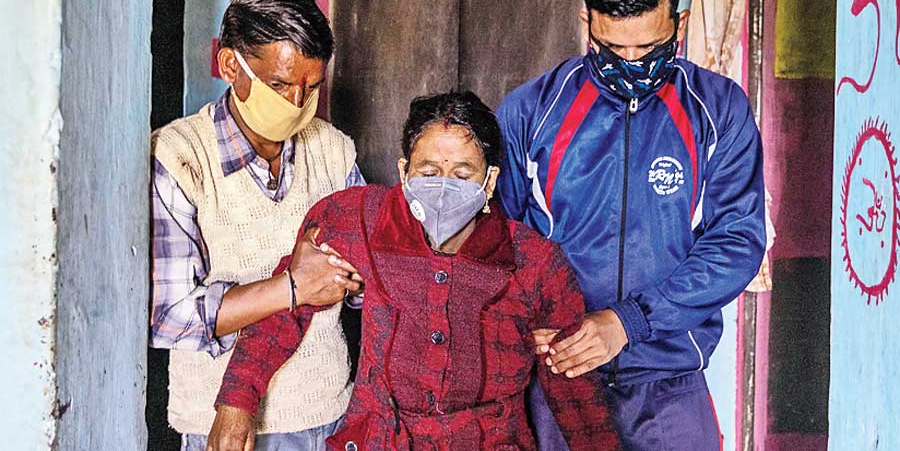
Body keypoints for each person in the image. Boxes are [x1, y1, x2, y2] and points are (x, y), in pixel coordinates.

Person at [207, 92, 620, 450]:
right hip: (378, 437)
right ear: (404, 172)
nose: (444, 186)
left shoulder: (535, 261)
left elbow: (572, 382)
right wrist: (236, 403)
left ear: (489, 181)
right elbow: (289, 305)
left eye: (463, 174)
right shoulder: (359, 220)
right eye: (428, 172)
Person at [495, 0, 766, 450]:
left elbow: (736, 242)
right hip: (559, 377)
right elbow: (497, 239)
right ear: (586, 23)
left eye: (650, 47)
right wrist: (520, 319)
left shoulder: (719, 110)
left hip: (670, 381)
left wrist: (629, 322)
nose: (633, 65)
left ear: (679, 22)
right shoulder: (531, 111)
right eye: (614, 49)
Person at [150, 0, 366, 451]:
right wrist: (293, 286)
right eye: (279, 85)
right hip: (219, 425)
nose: (295, 104)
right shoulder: (181, 156)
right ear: (231, 65)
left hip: (327, 410)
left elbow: (361, 284)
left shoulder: (331, 150)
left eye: (310, 87)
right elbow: (171, 316)